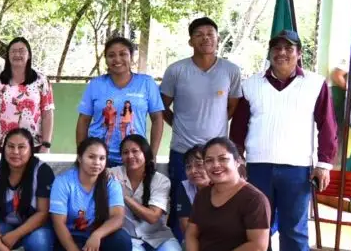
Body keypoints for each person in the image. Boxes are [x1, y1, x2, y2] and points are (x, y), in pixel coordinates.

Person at [229, 29, 337, 251]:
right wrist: (237, 160)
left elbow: (327, 126)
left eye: (289, 48)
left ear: (299, 54)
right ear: (270, 53)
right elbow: (239, 127)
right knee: (257, 223)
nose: (282, 53)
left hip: (297, 167)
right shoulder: (252, 85)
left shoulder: (315, 84)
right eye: (276, 48)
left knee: (294, 226)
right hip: (258, 166)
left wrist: (324, 164)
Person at [160, 17, 242, 230]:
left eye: (210, 34)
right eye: (199, 35)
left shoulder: (231, 71)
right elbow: (161, 106)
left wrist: (215, 128)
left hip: (216, 155)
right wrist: (177, 125)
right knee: (180, 206)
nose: (205, 38)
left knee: (218, 204)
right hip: (182, 151)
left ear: (218, 39)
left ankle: (212, 247)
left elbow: (232, 107)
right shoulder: (176, 70)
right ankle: (178, 249)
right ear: (190, 41)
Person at [49, 137, 133, 251]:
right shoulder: (63, 182)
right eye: (91, 157)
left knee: (123, 240)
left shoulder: (110, 183)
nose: (97, 163)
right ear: (80, 158)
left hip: (98, 240)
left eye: (102, 158)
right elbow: (58, 223)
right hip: (71, 239)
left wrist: (97, 235)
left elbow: (118, 217)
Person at [110, 134, 187, 251]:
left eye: (135, 151)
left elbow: (152, 217)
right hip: (129, 237)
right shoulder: (114, 173)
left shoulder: (160, 180)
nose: (130, 156)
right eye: (125, 152)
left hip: (156, 235)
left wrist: (124, 197)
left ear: (146, 153)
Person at [76, 36, 164, 166]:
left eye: (123, 54)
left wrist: (152, 154)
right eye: (111, 55)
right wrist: (81, 154)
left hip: (134, 157)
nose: (117, 59)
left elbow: (157, 119)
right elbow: (83, 120)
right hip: (99, 158)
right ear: (106, 59)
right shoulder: (96, 84)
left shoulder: (146, 83)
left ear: (131, 57)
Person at [0, 37, 54, 153]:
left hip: (33, 145)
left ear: (29, 55)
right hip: (2, 145)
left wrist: (46, 145)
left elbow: (47, 114)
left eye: (21, 51)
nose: (17, 54)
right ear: (8, 55)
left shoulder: (41, 81)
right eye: (13, 51)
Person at [175, 144, 209, 236]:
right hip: (194, 240)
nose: (193, 171)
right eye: (188, 167)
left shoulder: (223, 187)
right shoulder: (185, 187)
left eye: (199, 165)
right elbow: (185, 228)